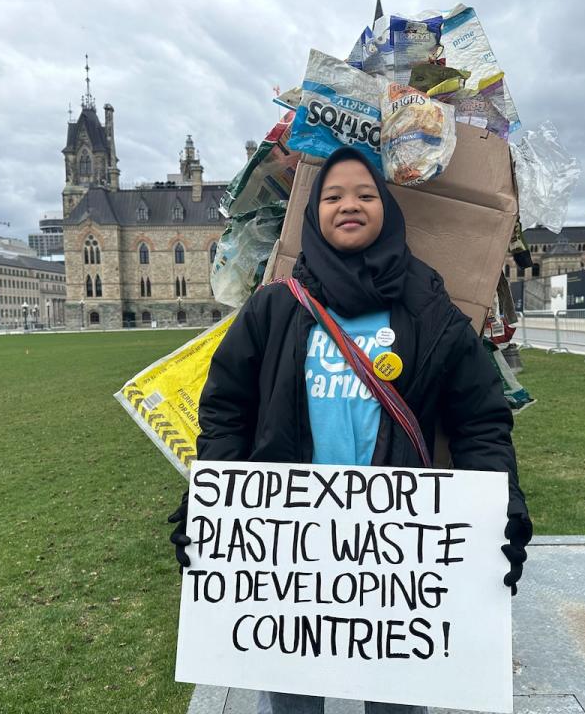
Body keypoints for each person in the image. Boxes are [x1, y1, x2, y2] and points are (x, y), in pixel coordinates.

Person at [167, 147, 532, 714]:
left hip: (396, 558)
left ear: (386, 207)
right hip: (287, 553)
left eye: (365, 193)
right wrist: (208, 504)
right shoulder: (273, 309)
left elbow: (479, 419)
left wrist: (502, 507)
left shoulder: (429, 307)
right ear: (314, 214)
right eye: (333, 196)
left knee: (397, 704)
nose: (349, 205)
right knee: (292, 700)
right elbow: (226, 412)